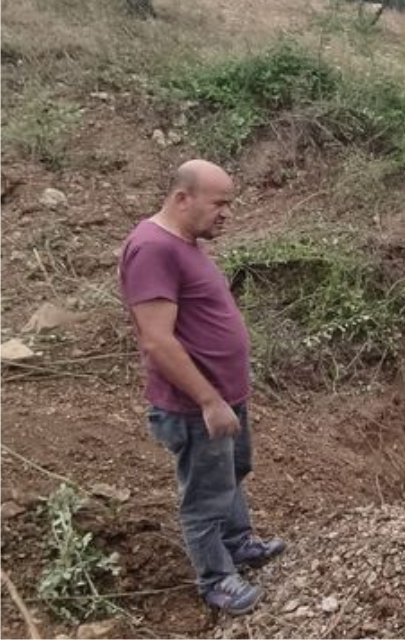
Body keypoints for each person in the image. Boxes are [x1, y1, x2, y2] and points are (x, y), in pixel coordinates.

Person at [118, 159, 284, 615]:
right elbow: (156, 339)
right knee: (206, 494)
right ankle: (216, 579)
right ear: (182, 198)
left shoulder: (183, 243)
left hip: (224, 395)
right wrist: (209, 400)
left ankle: (237, 542)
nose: (226, 213)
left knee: (232, 471)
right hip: (195, 406)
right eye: (219, 203)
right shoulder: (152, 248)